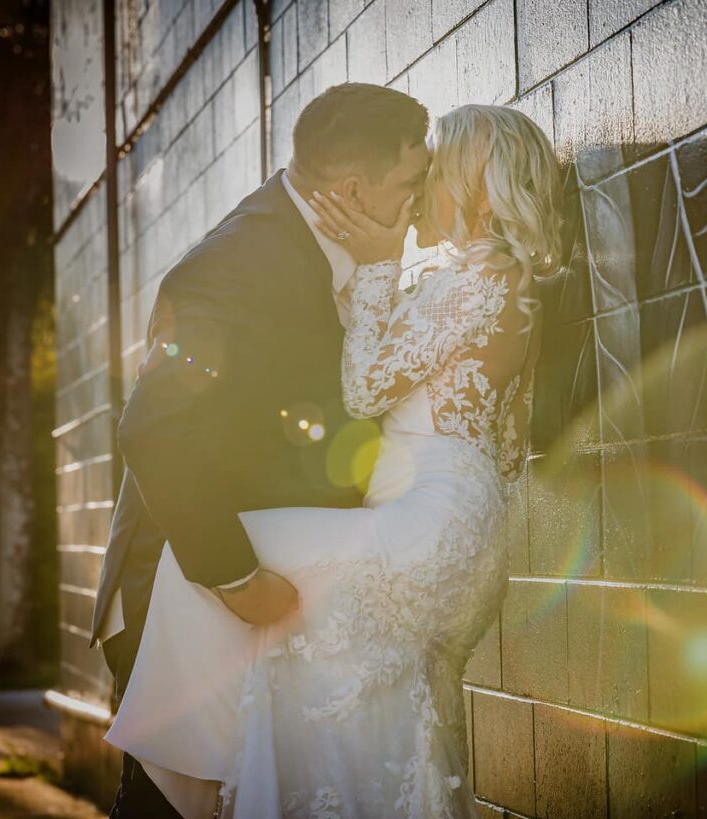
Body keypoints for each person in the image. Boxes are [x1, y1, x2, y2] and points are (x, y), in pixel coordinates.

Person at [105, 101, 562, 818]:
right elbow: (504, 445)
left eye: (436, 171)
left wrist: (379, 270)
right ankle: (193, 782)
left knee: (198, 567)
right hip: (459, 523)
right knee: (342, 693)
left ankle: (178, 788)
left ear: (474, 185)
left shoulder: (472, 281)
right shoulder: (502, 284)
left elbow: (364, 384)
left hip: (426, 523)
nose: (419, 196)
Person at [90, 82, 431, 818]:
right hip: (186, 588)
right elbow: (154, 428)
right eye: (412, 180)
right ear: (351, 189)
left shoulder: (332, 241)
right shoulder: (235, 266)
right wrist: (237, 579)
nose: (422, 197)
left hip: (259, 590)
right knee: (171, 807)